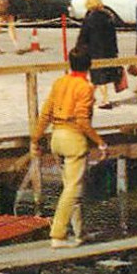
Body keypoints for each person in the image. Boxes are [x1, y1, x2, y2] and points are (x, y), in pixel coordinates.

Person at [32, 46, 108, 248]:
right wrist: (99, 142)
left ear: (70, 63)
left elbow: (46, 113)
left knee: (71, 188)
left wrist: (35, 138)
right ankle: (57, 235)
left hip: (56, 137)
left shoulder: (60, 82)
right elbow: (83, 121)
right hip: (74, 140)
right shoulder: (85, 87)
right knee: (73, 189)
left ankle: (80, 233)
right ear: (89, 66)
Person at [76, 0, 120, 109]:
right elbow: (113, 36)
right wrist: (115, 51)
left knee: (98, 77)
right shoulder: (108, 17)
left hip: (94, 51)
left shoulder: (89, 19)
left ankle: (106, 100)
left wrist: (78, 49)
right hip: (108, 51)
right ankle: (89, 97)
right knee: (97, 77)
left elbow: (83, 36)